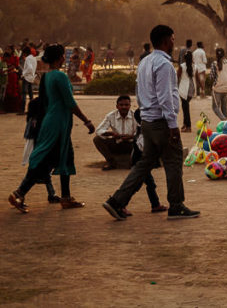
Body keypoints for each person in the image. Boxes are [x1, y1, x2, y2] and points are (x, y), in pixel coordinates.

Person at [103, 25, 199, 221]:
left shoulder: (145, 62)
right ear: (166, 41)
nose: (174, 42)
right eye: (172, 39)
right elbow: (165, 97)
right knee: (173, 162)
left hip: (148, 121)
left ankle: (117, 200)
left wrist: (145, 113)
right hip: (162, 121)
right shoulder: (164, 65)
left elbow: (139, 92)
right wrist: (173, 124)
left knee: (145, 163)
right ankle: (176, 205)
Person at [9, 44, 95, 212]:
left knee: (66, 156)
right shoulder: (60, 77)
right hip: (58, 123)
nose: (65, 58)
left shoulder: (48, 77)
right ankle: (19, 192)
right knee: (46, 159)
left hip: (52, 120)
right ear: (58, 58)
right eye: (63, 55)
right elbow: (70, 103)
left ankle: (66, 197)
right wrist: (87, 121)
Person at [93, 95, 138, 170]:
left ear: (130, 106)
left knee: (145, 139)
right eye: (121, 105)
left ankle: (134, 161)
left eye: (126, 105)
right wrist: (112, 134)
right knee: (97, 139)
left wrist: (131, 136)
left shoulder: (136, 115)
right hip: (117, 143)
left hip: (132, 144)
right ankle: (111, 162)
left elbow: (143, 132)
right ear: (117, 106)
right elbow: (99, 130)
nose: (124, 107)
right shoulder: (111, 116)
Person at [210, 47, 227, 121]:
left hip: (218, 89)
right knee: (224, 107)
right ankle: (226, 126)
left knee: (215, 107)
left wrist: (215, 82)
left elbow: (211, 77)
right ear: (224, 54)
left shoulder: (214, 64)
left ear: (216, 55)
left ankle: (224, 120)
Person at [177, 50, 196, 132]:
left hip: (184, 88)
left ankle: (188, 126)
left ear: (184, 58)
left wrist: (175, 87)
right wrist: (202, 88)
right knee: (185, 106)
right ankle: (185, 124)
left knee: (185, 108)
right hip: (192, 88)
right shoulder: (194, 66)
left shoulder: (182, 66)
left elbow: (177, 77)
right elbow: (197, 78)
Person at [20, 45, 37, 114]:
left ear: (25, 53)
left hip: (27, 77)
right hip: (32, 77)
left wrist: (23, 74)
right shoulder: (34, 58)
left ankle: (22, 109)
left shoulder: (27, 59)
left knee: (24, 93)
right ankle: (32, 109)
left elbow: (29, 68)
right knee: (30, 94)